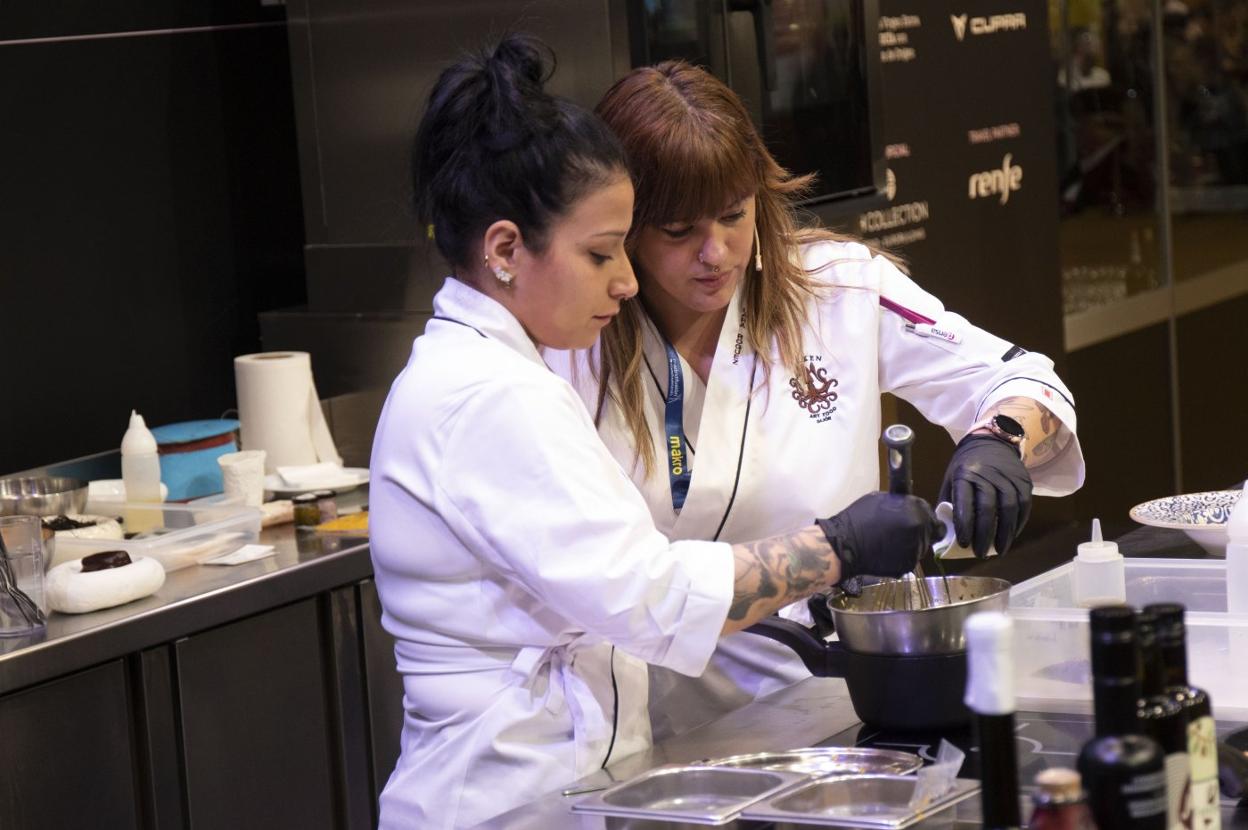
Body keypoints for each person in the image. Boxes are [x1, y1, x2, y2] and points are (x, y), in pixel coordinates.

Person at [368, 37, 946, 829]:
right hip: (498, 803)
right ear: (505, 249)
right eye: (602, 252)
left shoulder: (500, 372)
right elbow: (651, 597)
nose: (628, 281)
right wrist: (837, 545)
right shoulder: (486, 398)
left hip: (558, 791)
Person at [549, 60, 1087, 740]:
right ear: (623, 227)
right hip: (658, 732)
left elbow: (1021, 377)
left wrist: (1000, 439)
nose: (715, 253)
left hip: (840, 704)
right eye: (678, 232)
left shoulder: (835, 287)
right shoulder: (575, 342)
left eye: (733, 215)